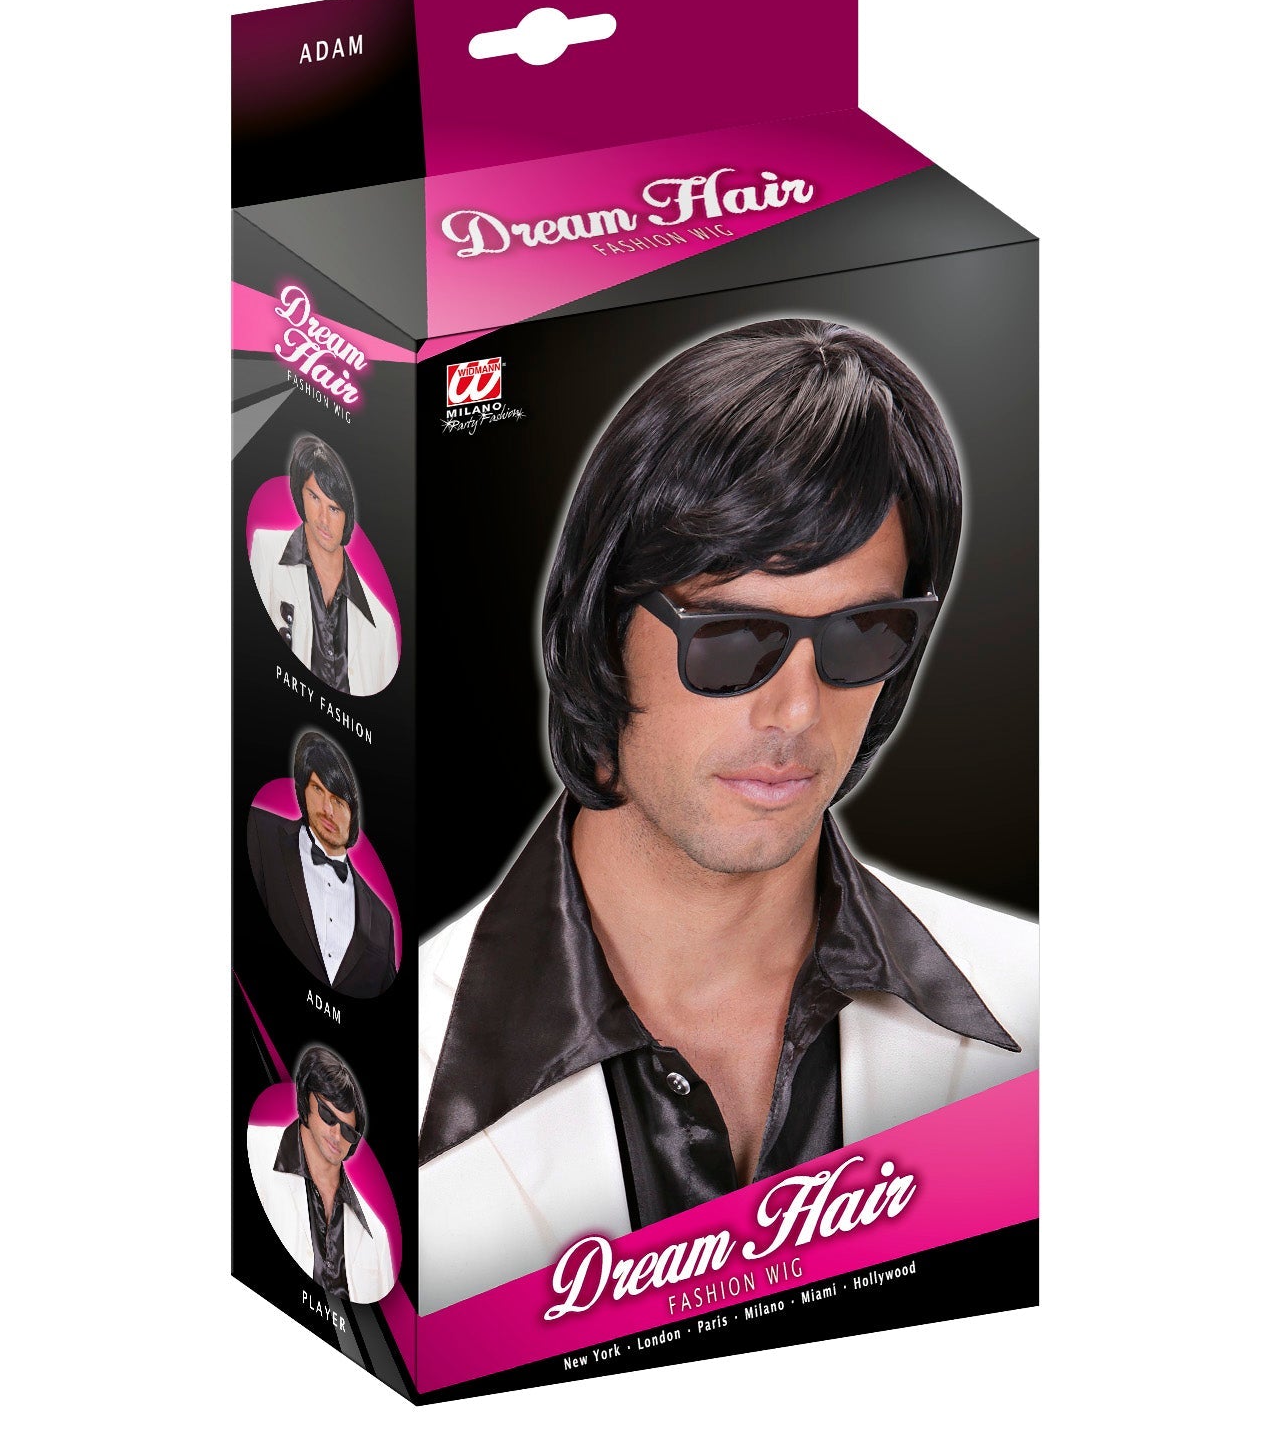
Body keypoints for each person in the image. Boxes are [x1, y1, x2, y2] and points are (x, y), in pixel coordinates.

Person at [417, 318, 1038, 1314]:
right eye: (733, 637)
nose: (795, 712)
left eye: (863, 634)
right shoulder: (390, 1077)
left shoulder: (1037, 1006)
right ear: (601, 628)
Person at [247, 732, 397, 998]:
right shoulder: (259, 831)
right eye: (318, 789)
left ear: (353, 815)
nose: (328, 809)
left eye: (338, 801)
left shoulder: (382, 919)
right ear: (303, 790)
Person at [249, 434, 399, 695]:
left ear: (347, 517)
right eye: (314, 497)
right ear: (301, 493)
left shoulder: (382, 626)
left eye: (334, 508)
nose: (323, 519)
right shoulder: (266, 550)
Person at [246, 1046, 396, 1304]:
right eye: (328, 1115)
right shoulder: (253, 1150)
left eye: (348, 1131)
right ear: (306, 1100)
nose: (337, 1135)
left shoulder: (377, 1237)